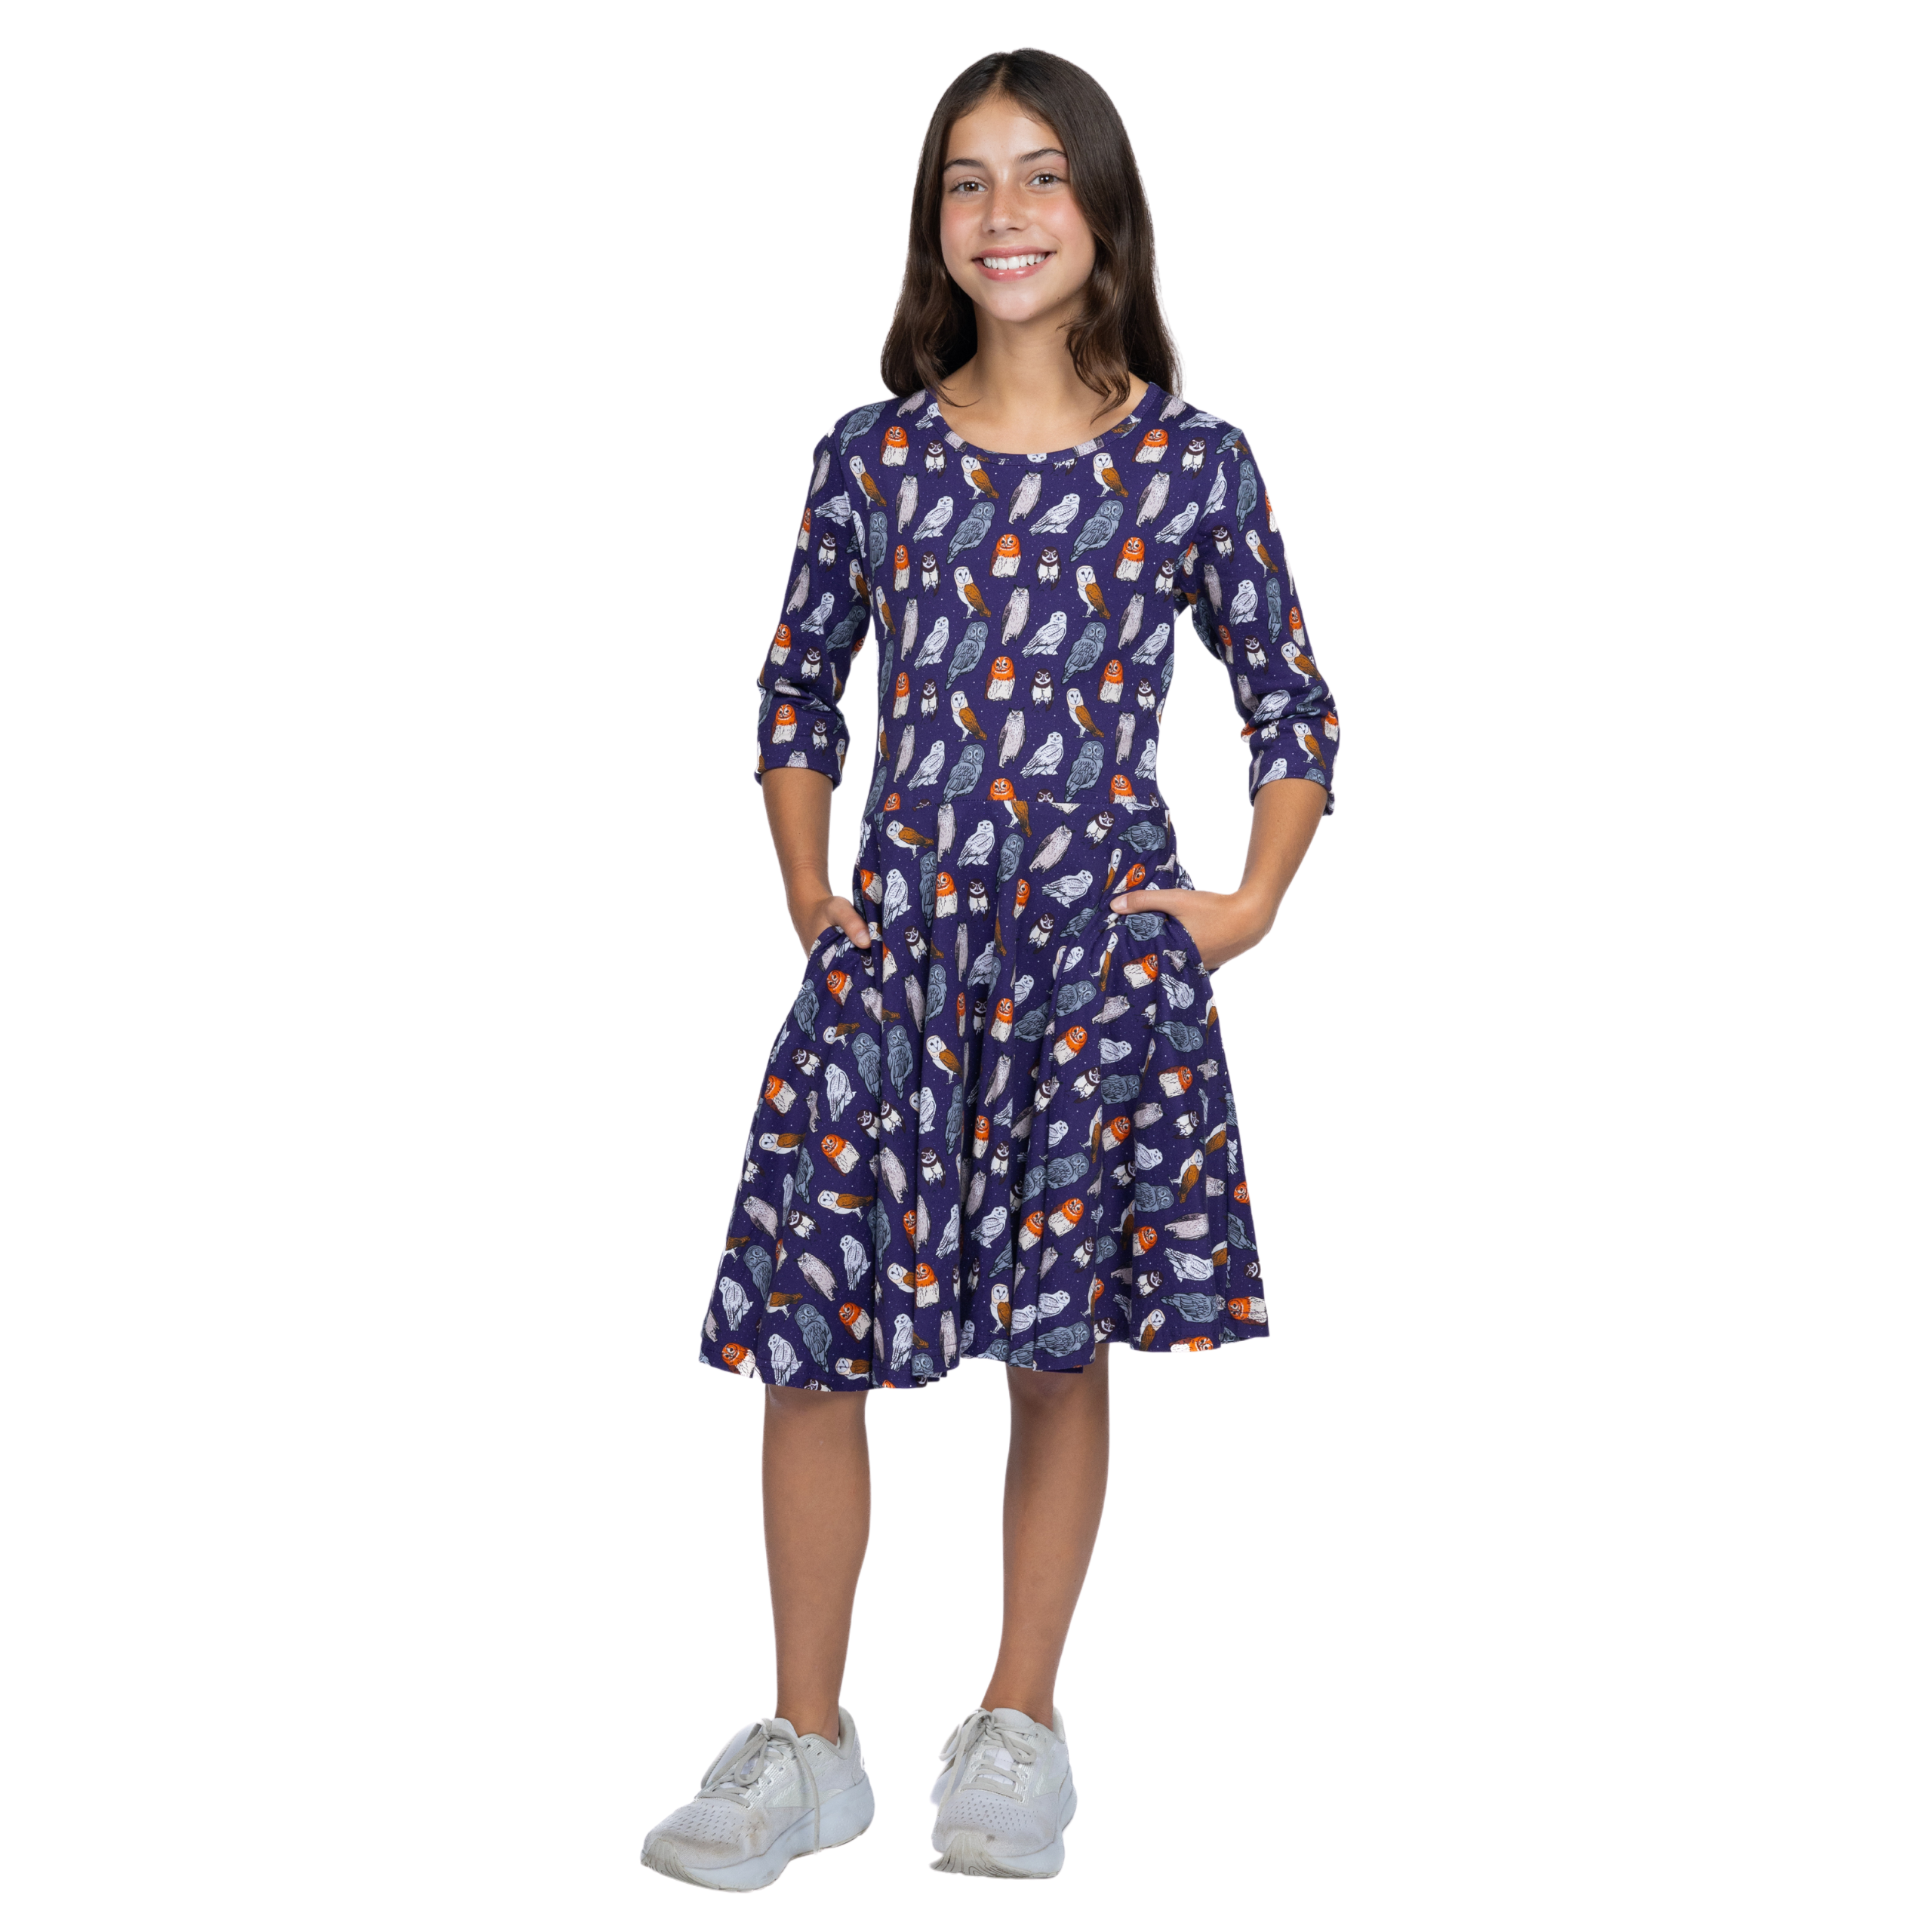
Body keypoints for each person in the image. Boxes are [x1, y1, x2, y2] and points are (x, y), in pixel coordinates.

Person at [641, 46, 1339, 1889]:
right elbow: (795, 691)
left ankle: (1018, 1717)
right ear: (931, 221)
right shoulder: (870, 458)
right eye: (967, 178)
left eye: (1039, 174)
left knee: (1054, 1343)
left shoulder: (1188, 466)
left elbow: (1292, 706)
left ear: (1100, 207)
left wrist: (1247, 901)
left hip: (1086, 975)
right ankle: (805, 1743)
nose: (1003, 211)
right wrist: (811, 889)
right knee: (809, 1341)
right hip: (899, 959)